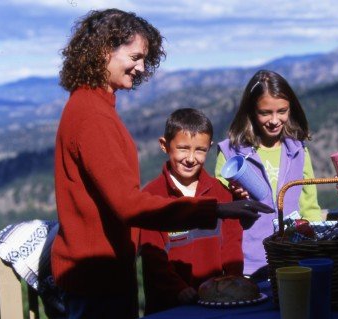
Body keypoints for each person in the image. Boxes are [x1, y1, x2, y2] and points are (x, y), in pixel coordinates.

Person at [53, 9, 272, 319]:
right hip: (97, 281)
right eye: (135, 56)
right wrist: (217, 209)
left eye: (144, 59)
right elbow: (129, 205)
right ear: (104, 50)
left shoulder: (91, 106)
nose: (142, 67)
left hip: (100, 275)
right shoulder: (92, 116)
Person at [215, 69, 323, 279]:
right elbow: (220, 205)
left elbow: (310, 206)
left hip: (293, 259)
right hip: (248, 264)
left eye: (282, 111)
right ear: (251, 111)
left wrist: (315, 249)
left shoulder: (299, 151)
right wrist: (234, 194)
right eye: (265, 113)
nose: (275, 120)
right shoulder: (230, 153)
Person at [139, 108, 244, 314]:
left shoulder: (220, 193)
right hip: (170, 307)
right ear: (164, 145)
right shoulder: (151, 196)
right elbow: (153, 258)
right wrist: (179, 289)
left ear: (209, 148)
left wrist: (233, 279)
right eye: (183, 148)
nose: (190, 158)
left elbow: (233, 244)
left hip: (216, 304)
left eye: (200, 150)